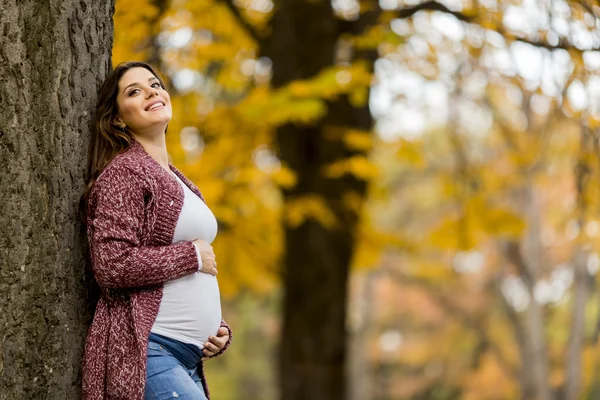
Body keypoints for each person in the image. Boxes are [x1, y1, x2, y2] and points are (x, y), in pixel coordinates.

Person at [80, 61, 231, 400]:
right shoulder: (125, 173)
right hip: (148, 350)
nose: (151, 91)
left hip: (188, 358)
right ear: (118, 118)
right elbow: (112, 265)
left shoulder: (180, 180)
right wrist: (191, 255)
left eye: (154, 84)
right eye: (134, 91)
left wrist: (218, 330)